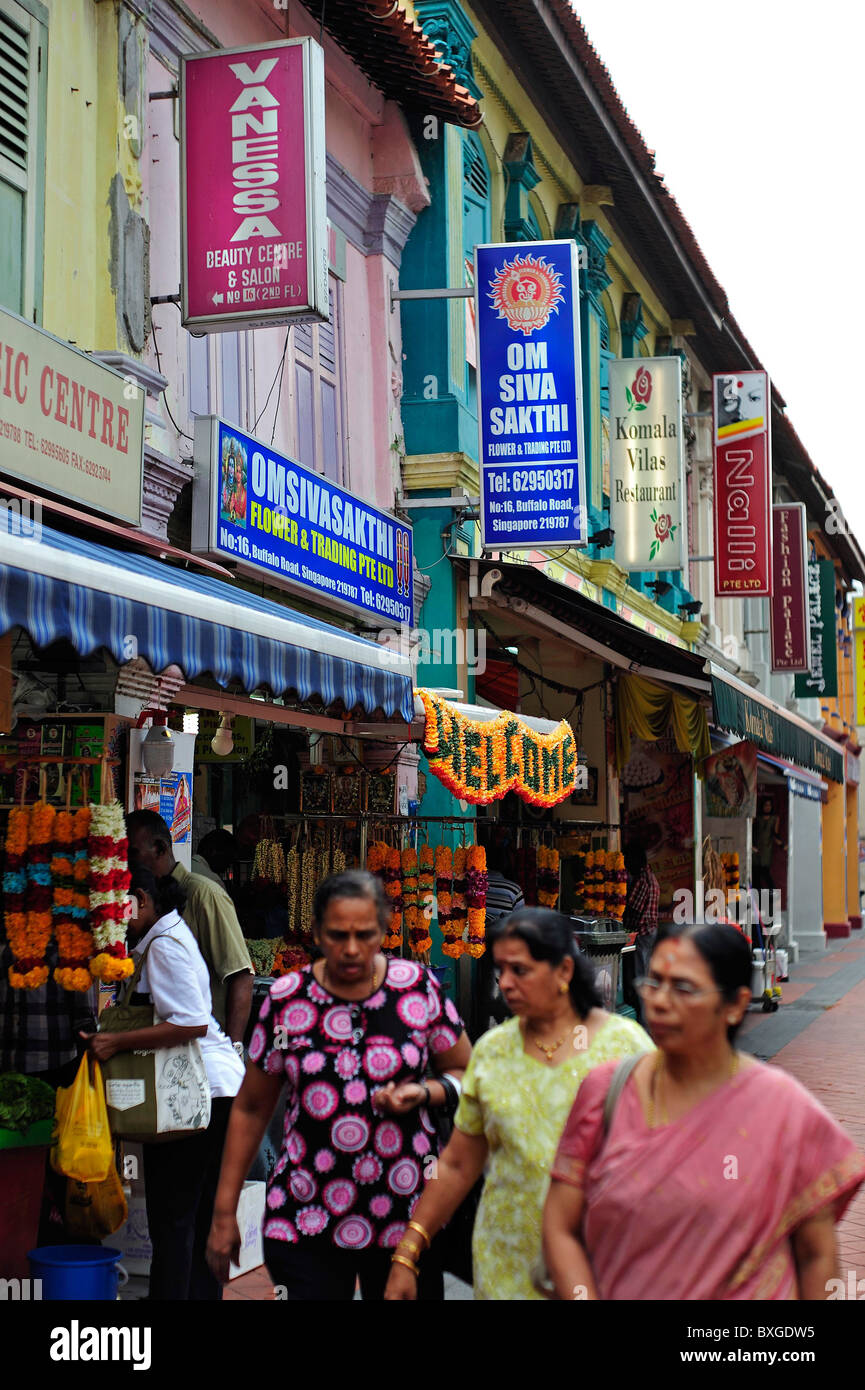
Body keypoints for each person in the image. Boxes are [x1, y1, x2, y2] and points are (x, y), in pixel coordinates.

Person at [542, 922, 865, 1301]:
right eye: (654, 983)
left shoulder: (784, 1109)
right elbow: (560, 1226)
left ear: (734, 1005)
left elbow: (817, 1255)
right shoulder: (605, 1092)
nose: (660, 1002)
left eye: (683, 988)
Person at [206, 869, 471, 1301]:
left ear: (385, 929)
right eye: (336, 935)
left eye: (365, 935)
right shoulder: (287, 1000)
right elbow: (252, 1107)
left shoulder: (418, 990)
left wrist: (424, 1092)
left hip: (407, 1218)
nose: (351, 949)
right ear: (315, 932)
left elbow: (466, 1074)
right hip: (305, 1213)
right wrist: (223, 1212)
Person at [384, 908, 650, 1301]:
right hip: (506, 1264)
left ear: (563, 970)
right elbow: (458, 1163)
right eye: (500, 970)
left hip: (605, 1262)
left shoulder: (625, 1046)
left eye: (520, 970)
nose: (504, 983)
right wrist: (407, 1252)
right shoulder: (493, 1051)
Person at [83, 867, 244, 1300]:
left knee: (173, 1220)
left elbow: (190, 1023)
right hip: (215, 1092)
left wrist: (114, 1040)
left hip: (198, 1096)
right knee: (193, 1218)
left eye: (117, 907)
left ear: (140, 898)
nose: (114, 920)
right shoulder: (165, 937)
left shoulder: (164, 947)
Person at [126, 811, 253, 1048]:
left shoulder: (204, 894)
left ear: (160, 849)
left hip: (201, 1051)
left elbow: (241, 975)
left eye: (132, 854)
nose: (126, 862)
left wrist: (233, 1049)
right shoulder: (145, 899)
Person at [472, 840, 525, 1039]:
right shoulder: (513, 889)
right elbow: (519, 924)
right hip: (500, 950)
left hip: (472, 944)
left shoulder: (475, 883)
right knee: (494, 993)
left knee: (480, 991)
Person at [623, 841, 659, 1023]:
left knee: (638, 978)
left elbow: (633, 908)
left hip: (642, 933)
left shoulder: (643, 880)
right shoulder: (650, 876)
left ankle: (644, 1023)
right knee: (642, 975)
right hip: (649, 932)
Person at [753, 796, 783, 896]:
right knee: (755, 874)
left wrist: (782, 845)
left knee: (765, 872)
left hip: (766, 850)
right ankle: (758, 898)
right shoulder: (757, 818)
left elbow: (775, 834)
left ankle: (772, 894)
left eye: (769, 805)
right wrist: (752, 846)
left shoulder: (774, 819)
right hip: (756, 849)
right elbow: (752, 832)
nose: (767, 807)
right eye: (766, 805)